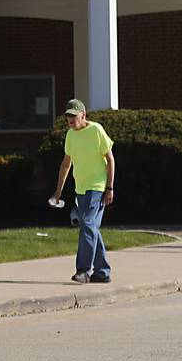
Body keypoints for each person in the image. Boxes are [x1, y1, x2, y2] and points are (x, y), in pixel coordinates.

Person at [50, 98, 115, 283]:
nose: (70, 119)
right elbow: (66, 164)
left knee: (87, 225)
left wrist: (110, 187)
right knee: (91, 227)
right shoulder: (71, 135)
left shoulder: (96, 130)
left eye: (73, 115)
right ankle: (102, 271)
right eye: (68, 116)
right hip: (81, 189)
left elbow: (110, 159)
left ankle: (83, 271)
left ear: (83, 115)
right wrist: (58, 192)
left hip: (97, 187)